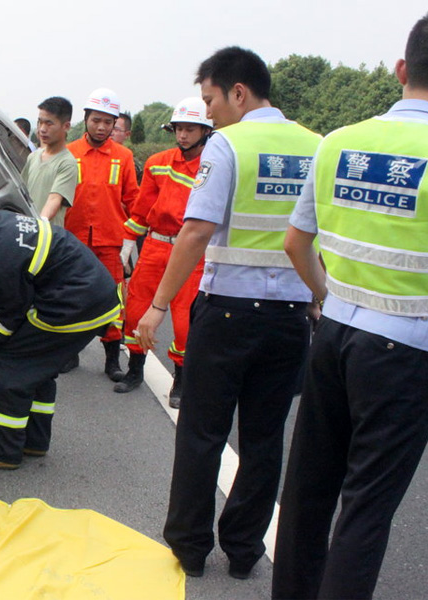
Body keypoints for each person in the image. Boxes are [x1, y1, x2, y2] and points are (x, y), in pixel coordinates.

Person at [272, 11, 428, 599]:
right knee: (366, 508)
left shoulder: (339, 143)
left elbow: (296, 243)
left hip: (335, 330)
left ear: (402, 69)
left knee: (308, 489)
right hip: (410, 348)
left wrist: (328, 297)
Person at [134, 47, 320, 579]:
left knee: (202, 432)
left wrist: (159, 306)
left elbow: (195, 230)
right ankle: (243, 550)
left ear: (239, 92)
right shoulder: (318, 146)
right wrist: (319, 299)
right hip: (289, 319)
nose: (207, 113)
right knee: (264, 438)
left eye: (211, 100)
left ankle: (190, 548)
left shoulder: (229, 146)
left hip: (230, 315)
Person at [0, 189, 121, 469]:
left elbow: (10, 318)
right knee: (38, 364)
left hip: (75, 303)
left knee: (12, 359)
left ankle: (0, 451)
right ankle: (33, 441)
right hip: (90, 295)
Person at [117, 98, 213, 403]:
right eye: (179, 129)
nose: (182, 135)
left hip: (192, 251)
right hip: (156, 246)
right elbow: (142, 208)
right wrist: (128, 243)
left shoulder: (212, 166)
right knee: (135, 310)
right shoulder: (158, 162)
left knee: (184, 319)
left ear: (205, 131)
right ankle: (135, 369)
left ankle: (181, 380)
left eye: (189, 129)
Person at [66, 88, 139, 384]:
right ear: (86, 120)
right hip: (73, 240)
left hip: (110, 242)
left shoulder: (123, 157)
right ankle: (69, 353)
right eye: (96, 120)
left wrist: (134, 238)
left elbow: (134, 198)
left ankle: (111, 360)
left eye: (108, 123)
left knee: (113, 301)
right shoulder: (69, 153)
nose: (101, 127)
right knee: (70, 297)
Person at [20, 97, 78, 226]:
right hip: (27, 233)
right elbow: (22, 194)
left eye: (49, 123)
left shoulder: (67, 163)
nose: (42, 129)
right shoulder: (33, 157)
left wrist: (40, 224)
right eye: (40, 122)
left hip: (47, 236)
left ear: (66, 126)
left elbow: (54, 199)